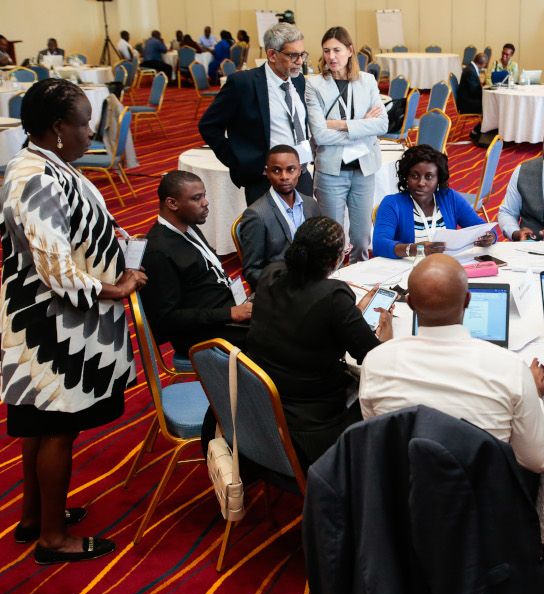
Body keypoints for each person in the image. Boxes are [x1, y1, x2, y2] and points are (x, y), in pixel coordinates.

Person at [1, 79, 148, 563]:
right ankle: (52, 539)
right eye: (85, 123)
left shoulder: (47, 162)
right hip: (52, 326)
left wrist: (109, 233)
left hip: (56, 321)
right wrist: (116, 287)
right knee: (56, 427)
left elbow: (67, 228)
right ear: (59, 128)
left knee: (40, 426)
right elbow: (56, 269)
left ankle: (34, 516)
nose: (93, 131)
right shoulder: (35, 177)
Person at [360, 254, 544, 473]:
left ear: (411, 304)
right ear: (468, 300)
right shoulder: (511, 369)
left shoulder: (376, 362)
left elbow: (375, 438)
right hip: (482, 498)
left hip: (402, 495)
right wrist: (534, 396)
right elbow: (537, 461)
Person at [246, 217, 393, 468]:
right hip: (311, 421)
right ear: (336, 259)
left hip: (261, 402)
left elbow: (300, 321)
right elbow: (374, 359)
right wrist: (386, 330)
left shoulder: (271, 274)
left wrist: (351, 314)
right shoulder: (333, 296)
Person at [199, 23, 314, 205]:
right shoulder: (243, 83)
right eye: (293, 55)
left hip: (301, 174)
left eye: (302, 54)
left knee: (306, 232)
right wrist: (240, 161)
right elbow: (209, 126)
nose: (300, 61)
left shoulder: (298, 80)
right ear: (272, 55)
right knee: (268, 233)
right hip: (265, 179)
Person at [141, 171, 253, 356]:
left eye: (204, 195)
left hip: (224, 310)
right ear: (172, 203)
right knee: (275, 337)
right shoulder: (157, 252)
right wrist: (229, 314)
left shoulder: (188, 226)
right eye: (196, 198)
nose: (205, 202)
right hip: (200, 335)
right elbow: (166, 319)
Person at [305, 26, 388, 263]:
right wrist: (363, 127)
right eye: (327, 51)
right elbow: (320, 135)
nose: (332, 56)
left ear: (350, 50)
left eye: (337, 50)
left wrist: (341, 124)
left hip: (363, 171)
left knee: (362, 238)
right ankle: (333, 283)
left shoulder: (368, 81)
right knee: (333, 238)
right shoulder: (315, 85)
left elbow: (382, 125)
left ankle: (360, 283)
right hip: (331, 172)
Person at [373, 144, 495, 258]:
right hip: (407, 271)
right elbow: (379, 245)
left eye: (429, 177)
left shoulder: (449, 197)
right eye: (414, 176)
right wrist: (414, 249)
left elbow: (484, 228)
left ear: (438, 179)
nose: (421, 183)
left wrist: (489, 237)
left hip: (445, 268)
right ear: (406, 177)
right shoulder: (392, 203)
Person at [239, 145, 320, 290]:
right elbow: (251, 270)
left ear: (300, 170)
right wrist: (285, 285)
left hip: (313, 281)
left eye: (291, 169)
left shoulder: (311, 204)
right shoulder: (256, 214)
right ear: (266, 172)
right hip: (281, 289)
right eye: (276, 170)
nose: (284, 177)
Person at [459, 52, 487, 138]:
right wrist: (486, 93)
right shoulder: (470, 71)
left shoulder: (471, 68)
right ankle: (476, 130)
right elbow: (475, 92)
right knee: (489, 106)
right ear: (483, 64)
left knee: (489, 104)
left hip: (467, 99)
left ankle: (483, 129)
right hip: (466, 104)